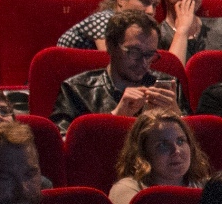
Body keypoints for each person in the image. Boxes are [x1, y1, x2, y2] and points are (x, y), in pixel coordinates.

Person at [52, 9, 182, 126]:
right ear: (110, 46)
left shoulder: (169, 86)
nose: (143, 63)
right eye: (134, 52)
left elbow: (195, 146)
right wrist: (115, 117)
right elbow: (62, 144)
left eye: (149, 55)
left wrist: (179, 117)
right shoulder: (77, 90)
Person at [107, 109, 211, 204]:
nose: (176, 151)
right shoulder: (128, 189)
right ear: (143, 153)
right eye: (163, 145)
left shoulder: (208, 186)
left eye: (180, 141)